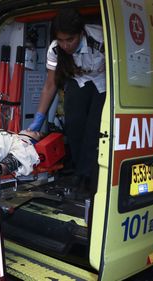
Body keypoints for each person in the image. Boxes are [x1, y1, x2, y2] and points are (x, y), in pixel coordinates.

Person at [28, 8, 106, 193]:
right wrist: (39, 118)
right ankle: (80, 172)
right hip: (78, 80)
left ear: (81, 33)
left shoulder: (101, 39)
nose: (65, 45)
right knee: (73, 124)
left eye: (70, 40)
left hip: (104, 80)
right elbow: (50, 84)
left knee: (94, 128)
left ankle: (89, 176)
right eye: (61, 40)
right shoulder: (55, 49)